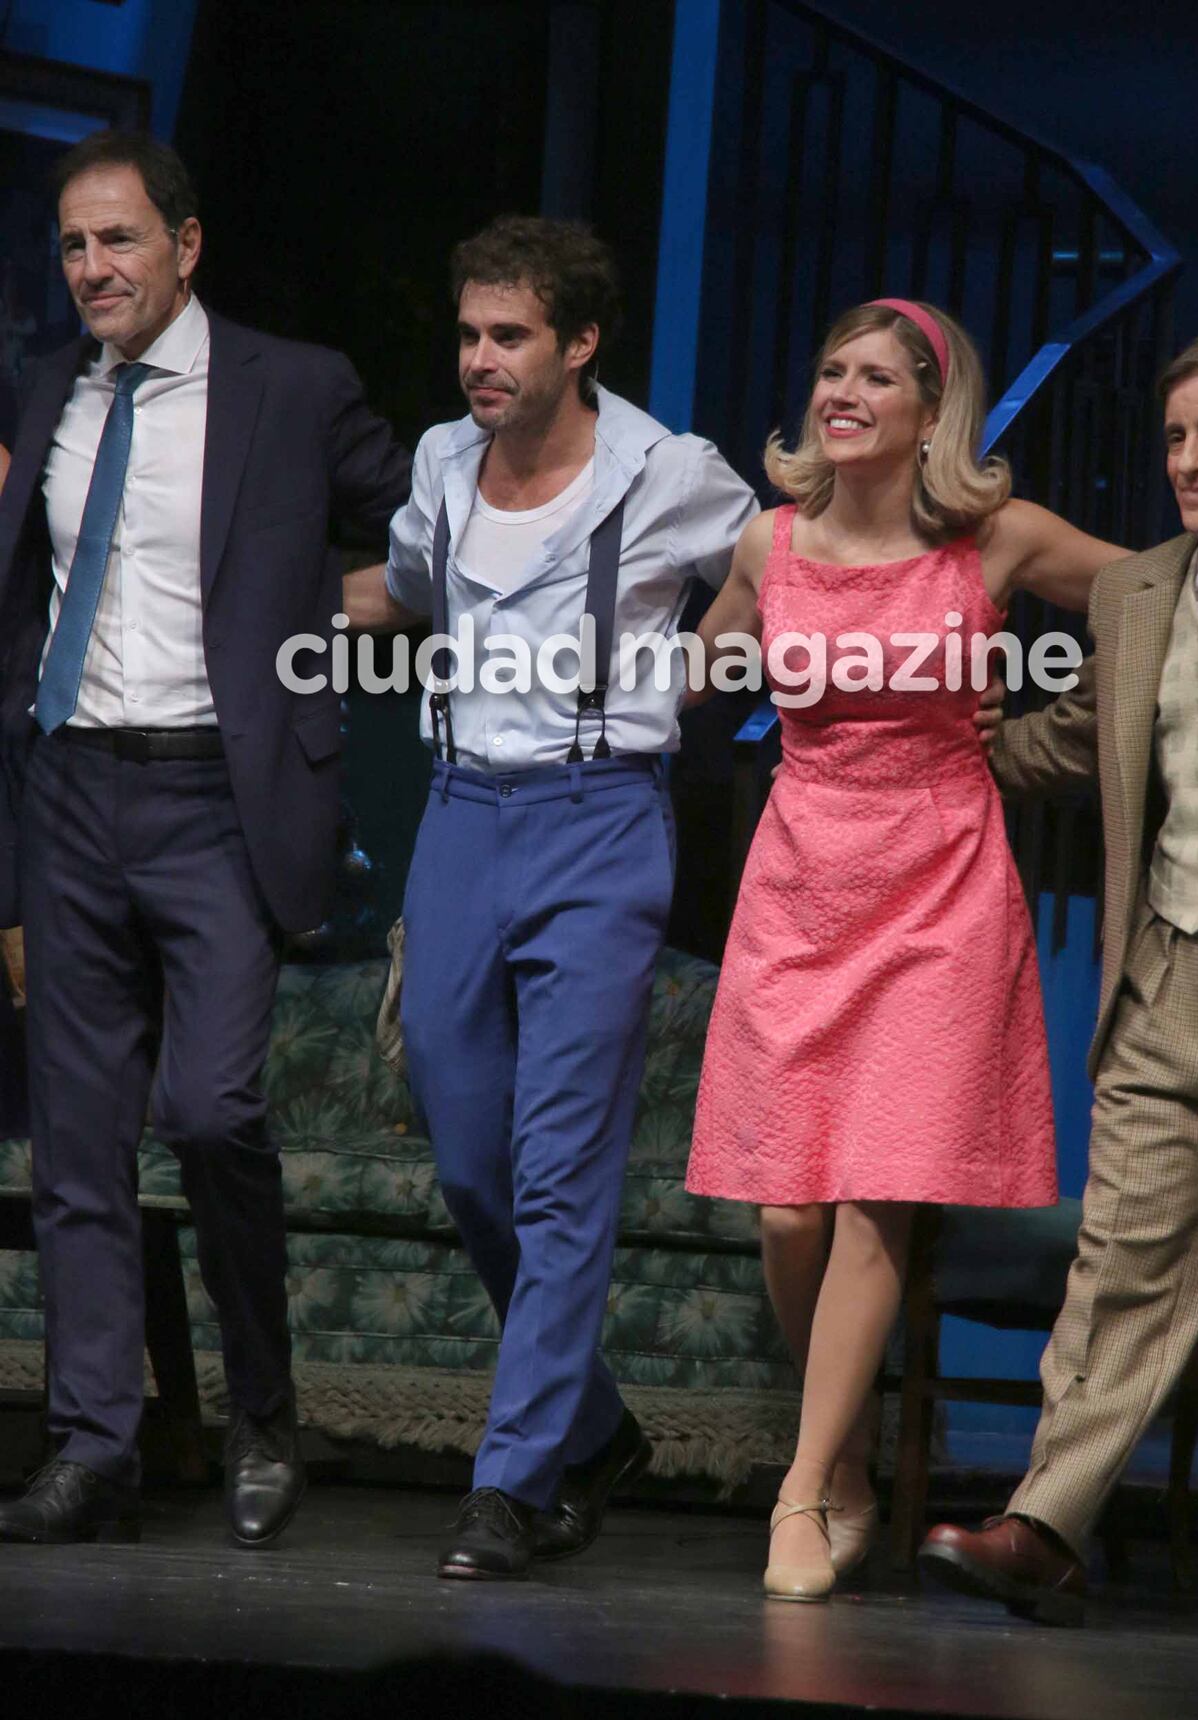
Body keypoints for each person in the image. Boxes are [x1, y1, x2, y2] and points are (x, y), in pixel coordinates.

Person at [683, 300, 1198, 1603]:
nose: (843, 390)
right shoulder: (770, 543)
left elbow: (1168, 585)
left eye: (876, 375)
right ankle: (859, 1460)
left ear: (932, 412)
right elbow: (694, 667)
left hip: (940, 885)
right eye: (832, 367)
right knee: (785, 1213)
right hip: (799, 884)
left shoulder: (996, 537)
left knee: (879, 1193)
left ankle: (800, 1489)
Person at [919, 325, 1198, 1644]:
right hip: (1173, 958)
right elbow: (1083, 740)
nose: (1186, 459)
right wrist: (943, 736)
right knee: (1122, 1259)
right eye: (1175, 436)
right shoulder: (1138, 594)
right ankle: (1049, 1526)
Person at [0, 132, 411, 1547]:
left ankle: (261, 1412)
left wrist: (322, 616)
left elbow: (434, 531)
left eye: (118, 240)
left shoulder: (291, 388)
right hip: (68, 793)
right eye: (71, 246)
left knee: (217, 1111)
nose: (92, 269)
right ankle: (96, 1445)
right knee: (77, 1148)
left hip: (212, 799)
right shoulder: (50, 388)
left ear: (187, 245)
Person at [344, 215, 758, 1580]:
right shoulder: (441, 462)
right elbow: (402, 588)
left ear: (576, 343)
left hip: (599, 826)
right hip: (462, 820)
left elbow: (778, 569)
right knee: (471, 1159)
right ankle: (592, 1428)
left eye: (508, 336)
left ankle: (511, 1482)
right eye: (469, 334)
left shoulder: (663, 469)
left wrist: (687, 673)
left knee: (564, 1164)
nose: (480, 360)